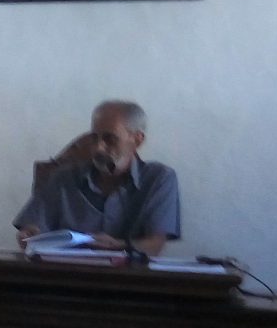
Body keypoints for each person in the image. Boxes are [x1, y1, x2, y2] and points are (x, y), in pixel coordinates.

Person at [14, 101, 181, 258]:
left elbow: (155, 245)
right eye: (94, 138)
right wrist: (29, 234)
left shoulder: (158, 178)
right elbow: (33, 228)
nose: (98, 148)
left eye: (110, 139)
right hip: (67, 273)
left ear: (137, 140)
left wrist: (120, 245)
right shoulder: (64, 178)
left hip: (130, 275)